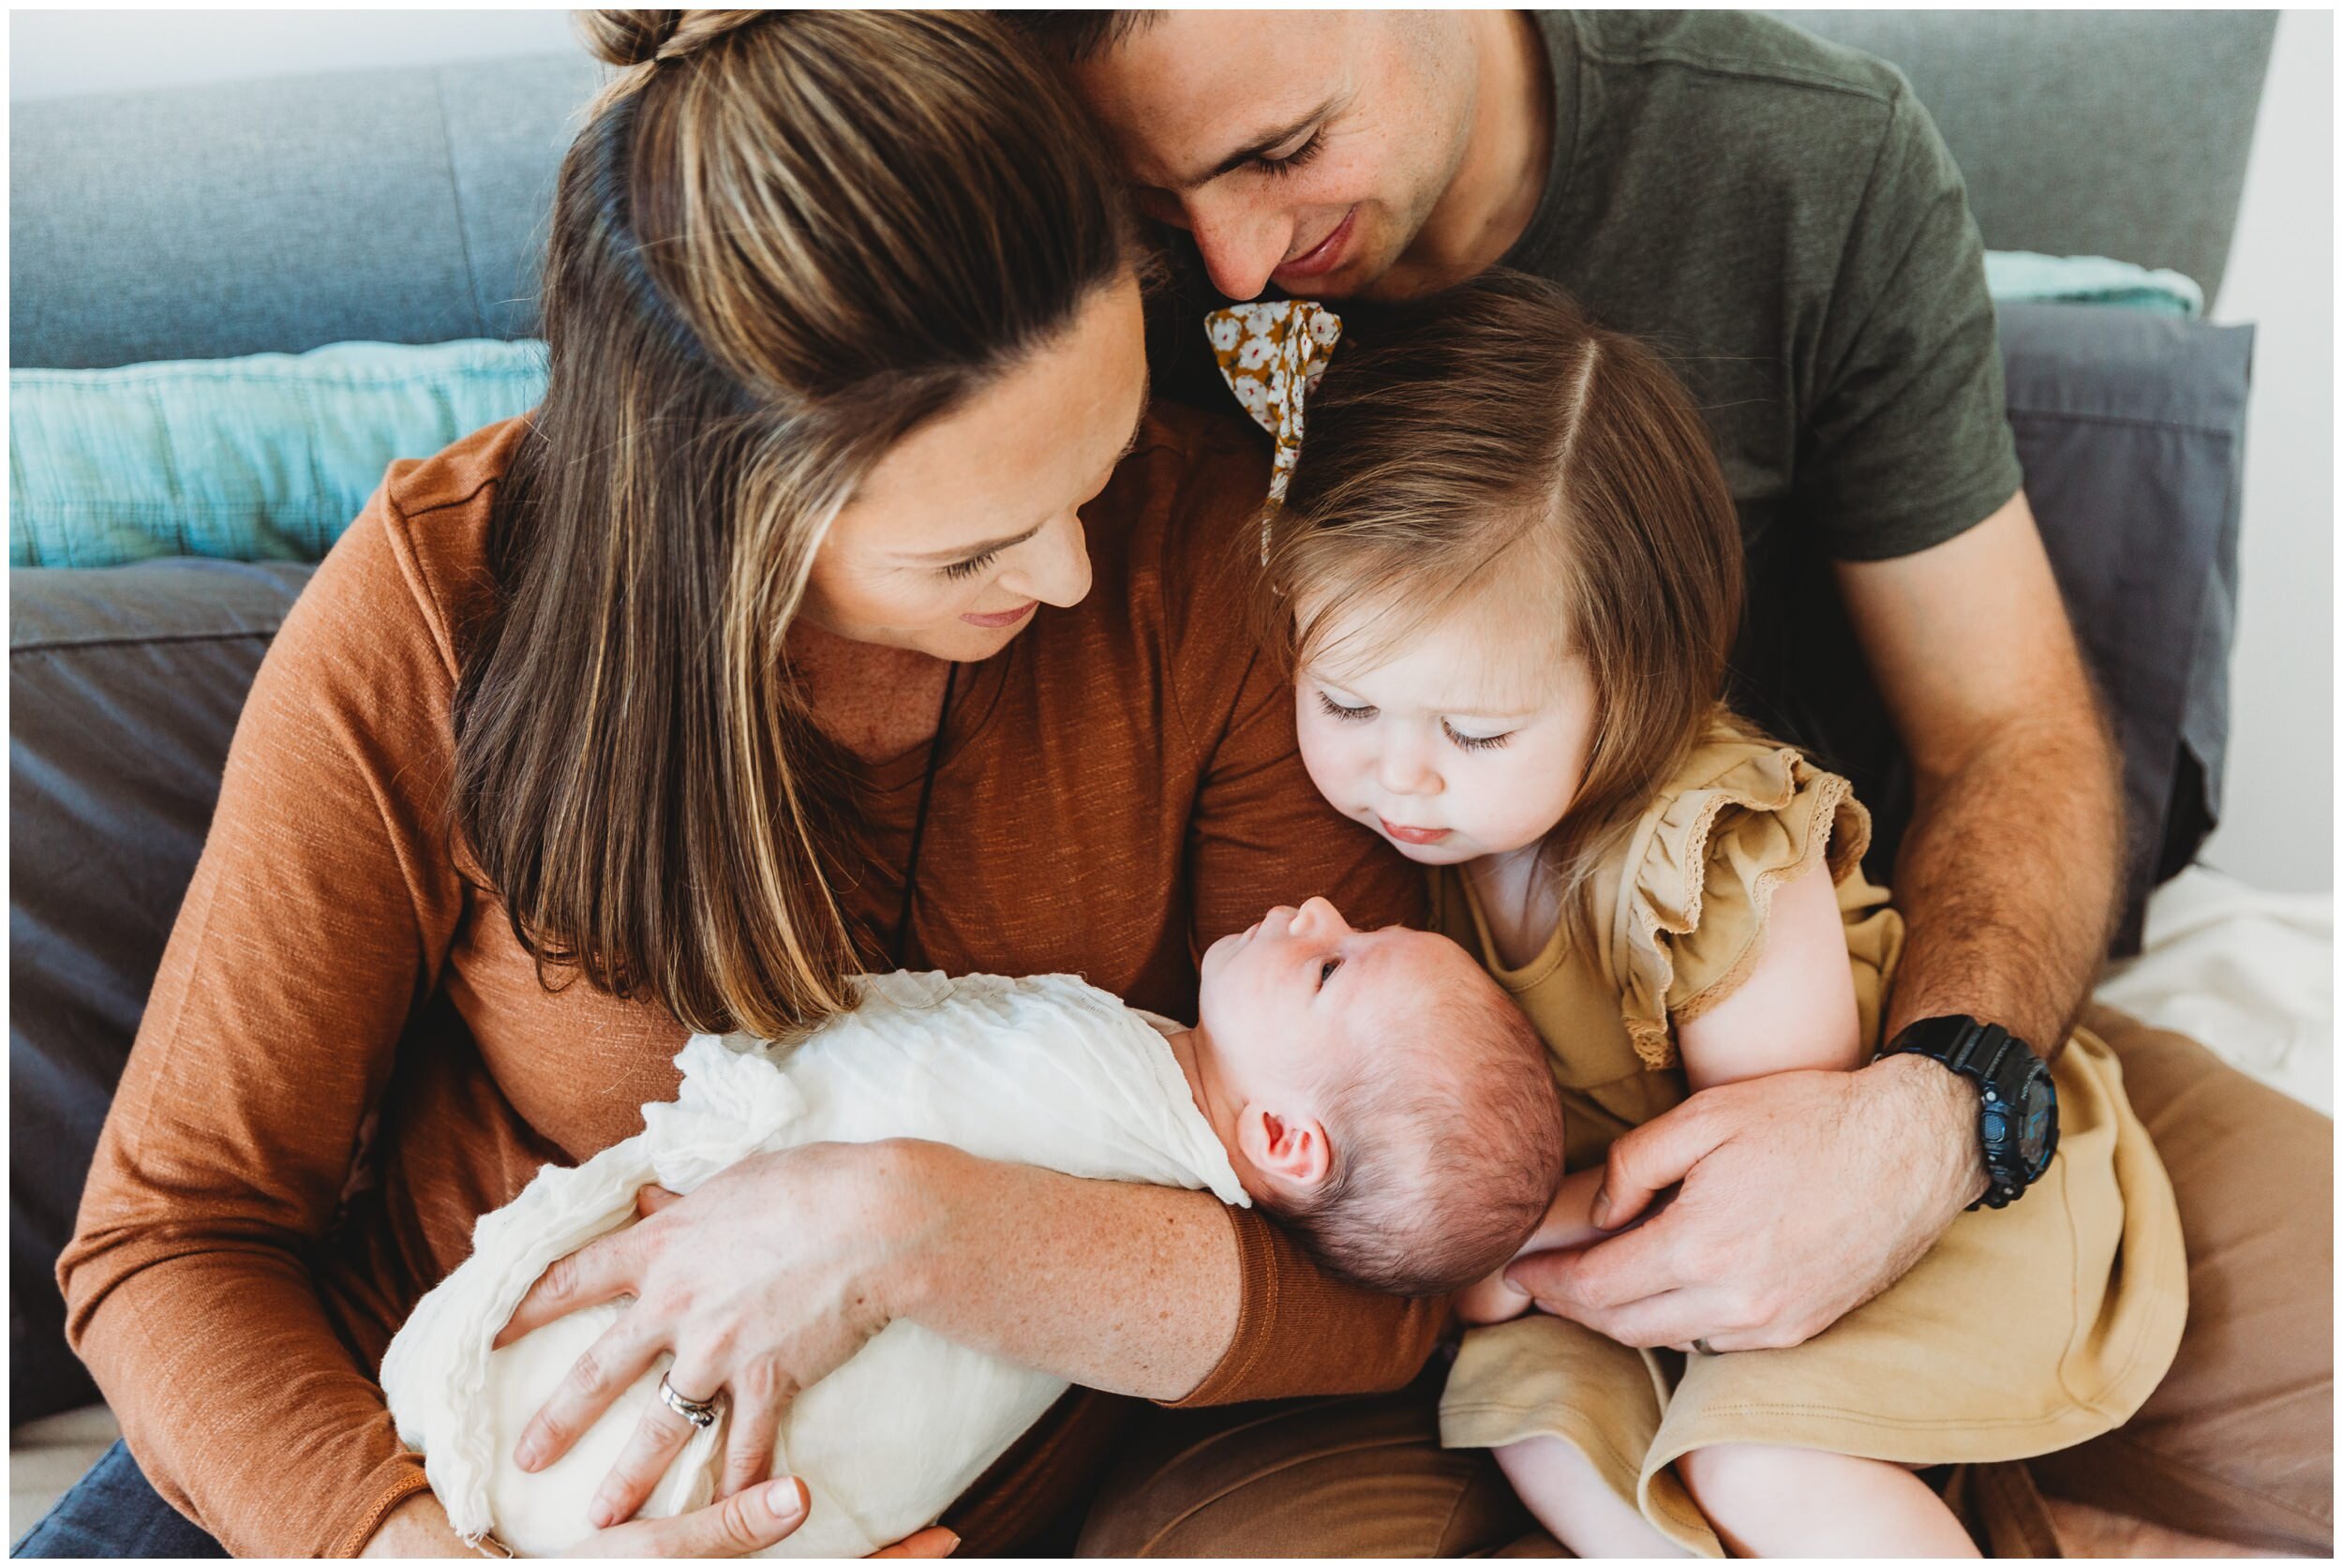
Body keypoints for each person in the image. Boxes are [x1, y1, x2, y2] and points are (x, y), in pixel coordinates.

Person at [30, 11, 1459, 1559]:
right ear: (721, 515)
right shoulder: (434, 607)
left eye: (1098, 464)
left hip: (953, 1485)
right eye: (972, 549)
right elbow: (169, 1239)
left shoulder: (1208, 568)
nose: (1066, 571)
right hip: (428, 1451)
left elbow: (1387, 1267)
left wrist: (921, 1230)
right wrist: (413, 1548)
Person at [1013, 10, 2332, 1556]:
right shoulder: (1042, 238)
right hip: (1390, 1225)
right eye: (1156, 206)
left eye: (1284, 149)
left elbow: (2012, 734)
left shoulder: (1800, 164)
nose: (1228, 269)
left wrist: (1930, 1115)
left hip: (1880, 1057)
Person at [1236, 276, 2184, 1557]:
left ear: (1630, 687)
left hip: (1892, 1212)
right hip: (1625, 1258)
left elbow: (1778, 1183)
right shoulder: (1419, 843)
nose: (1400, 775)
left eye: (1475, 730)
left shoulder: (1706, 858)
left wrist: (1511, 1251)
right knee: (1521, 1409)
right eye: (1346, 704)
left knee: (1759, 1459)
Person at [386, 905, 1562, 1557]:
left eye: (1333, 962)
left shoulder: (1110, 1089)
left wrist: (873, 1203)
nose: (1318, 907)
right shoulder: (1178, 1099)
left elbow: (891, 1065)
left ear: (1288, 1144)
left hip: (632, 1466)